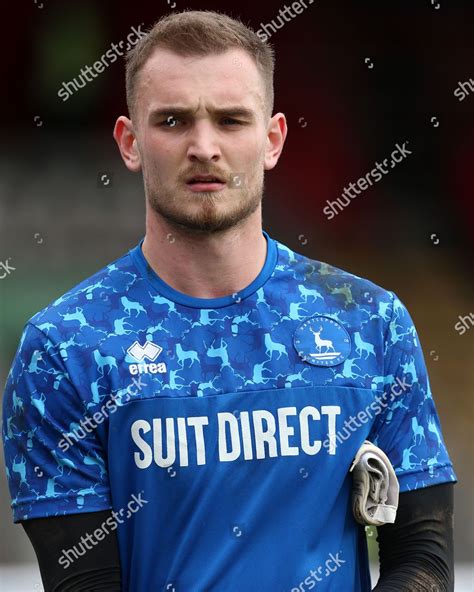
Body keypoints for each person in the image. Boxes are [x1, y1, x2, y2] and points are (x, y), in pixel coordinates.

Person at [2, 10, 456, 592]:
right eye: (172, 121)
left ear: (272, 140)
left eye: (231, 120)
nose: (204, 146)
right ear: (130, 142)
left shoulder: (370, 322)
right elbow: (82, 585)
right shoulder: (64, 349)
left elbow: (424, 558)